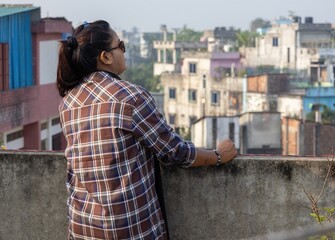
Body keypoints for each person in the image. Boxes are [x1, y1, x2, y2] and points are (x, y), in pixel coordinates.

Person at [57, 20, 237, 240]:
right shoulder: (130, 97)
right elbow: (175, 152)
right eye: (120, 45)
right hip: (130, 231)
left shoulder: (69, 103)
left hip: (82, 228)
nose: (124, 51)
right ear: (105, 57)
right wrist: (218, 156)